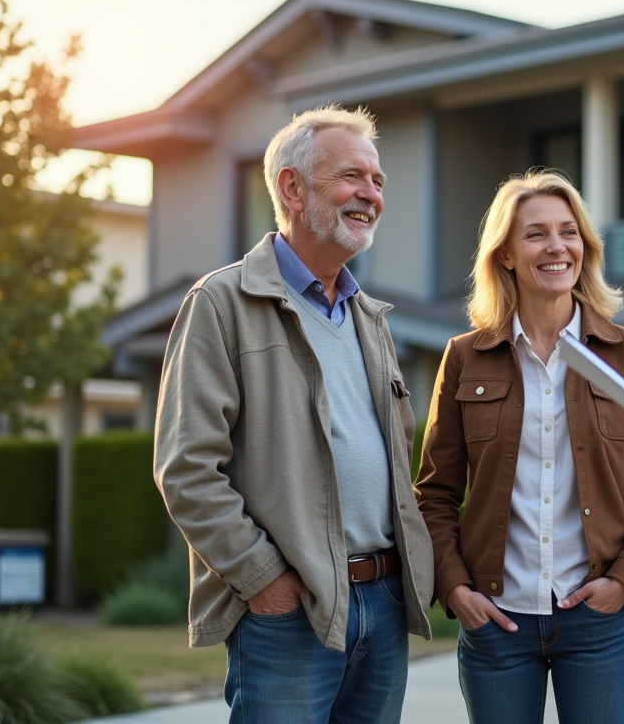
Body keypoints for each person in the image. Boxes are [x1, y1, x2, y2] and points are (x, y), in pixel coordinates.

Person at [153, 105, 434, 724]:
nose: (371, 195)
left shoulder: (370, 319)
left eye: (378, 181)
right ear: (292, 188)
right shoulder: (221, 304)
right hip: (292, 610)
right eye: (352, 176)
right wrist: (263, 578)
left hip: (383, 602)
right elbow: (186, 467)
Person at [414, 170, 624, 724]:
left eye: (569, 232)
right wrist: (455, 587)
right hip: (496, 623)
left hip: (598, 624)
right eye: (536, 234)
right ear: (506, 254)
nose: (557, 246)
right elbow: (435, 494)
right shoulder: (464, 356)